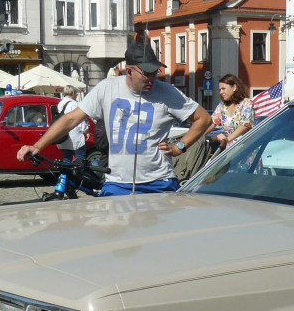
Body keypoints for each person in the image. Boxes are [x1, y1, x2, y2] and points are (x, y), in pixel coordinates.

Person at [18, 40, 212, 196]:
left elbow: (203, 118)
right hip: (118, 183)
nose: (152, 78)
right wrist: (38, 146)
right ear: (129, 70)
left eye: (155, 72)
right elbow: (71, 119)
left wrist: (179, 147)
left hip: (159, 182)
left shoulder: (167, 92)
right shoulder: (107, 88)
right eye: (147, 73)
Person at [212, 74, 254, 150]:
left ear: (234, 87)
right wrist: (199, 136)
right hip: (230, 151)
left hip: (246, 149)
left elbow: (245, 125)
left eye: (223, 89)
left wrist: (227, 139)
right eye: (220, 90)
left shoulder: (246, 103)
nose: (221, 92)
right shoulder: (222, 105)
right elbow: (212, 122)